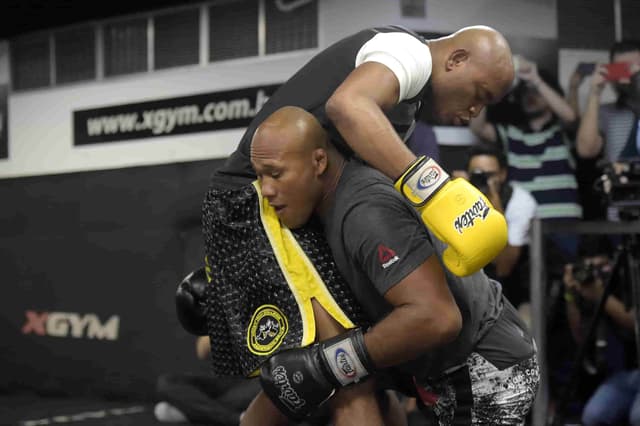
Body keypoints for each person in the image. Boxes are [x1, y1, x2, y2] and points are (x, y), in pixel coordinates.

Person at [189, 24, 517, 425]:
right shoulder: (408, 52)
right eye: (480, 94)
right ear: (456, 60)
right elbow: (348, 105)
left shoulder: (405, 104)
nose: (474, 111)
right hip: (256, 200)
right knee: (347, 378)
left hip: (289, 212)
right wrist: (433, 190)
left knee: (358, 371)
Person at [252, 106, 539, 425]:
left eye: (275, 173)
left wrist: (326, 365)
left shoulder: (365, 212)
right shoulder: (328, 201)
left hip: (484, 364)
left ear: (319, 161)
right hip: (452, 366)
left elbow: (436, 318)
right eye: (259, 175)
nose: (266, 189)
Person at [470, 56, 582, 260]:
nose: (530, 96)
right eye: (525, 92)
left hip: (563, 223)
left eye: (536, 93)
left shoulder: (562, 132)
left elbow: (570, 117)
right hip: (524, 225)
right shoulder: (512, 134)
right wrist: (489, 86)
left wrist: (535, 80)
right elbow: (477, 127)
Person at [562, 236, 640, 426]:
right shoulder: (588, 288)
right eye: (588, 268)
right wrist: (571, 295)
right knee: (593, 415)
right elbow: (580, 337)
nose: (594, 274)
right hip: (626, 374)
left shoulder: (628, 275)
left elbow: (636, 324)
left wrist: (601, 295)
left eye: (600, 268)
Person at [459, 143, 537, 317]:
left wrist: (494, 202)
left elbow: (504, 266)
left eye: (490, 175)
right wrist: (457, 194)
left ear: (502, 175)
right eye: (477, 175)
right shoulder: (459, 195)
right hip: (470, 289)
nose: (483, 180)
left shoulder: (520, 201)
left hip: (512, 291)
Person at [154, 335, 262, 425]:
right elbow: (202, 351)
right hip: (223, 378)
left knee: (265, 387)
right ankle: (235, 417)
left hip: (257, 378)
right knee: (168, 381)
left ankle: (190, 410)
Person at [573, 41, 640, 162]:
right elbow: (586, 150)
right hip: (621, 179)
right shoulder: (605, 112)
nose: (629, 77)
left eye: (635, 70)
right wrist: (595, 92)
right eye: (621, 70)